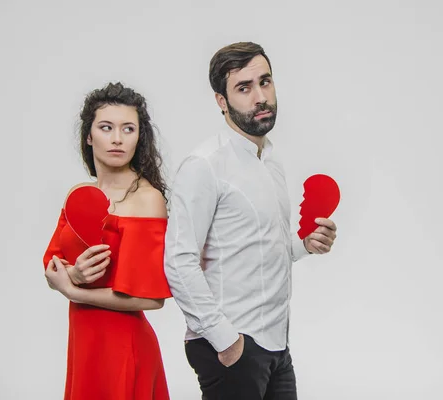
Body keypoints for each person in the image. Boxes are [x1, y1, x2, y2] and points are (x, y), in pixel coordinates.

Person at [164, 42, 338, 400]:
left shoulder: (270, 162)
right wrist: (226, 340)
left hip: (275, 344)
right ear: (221, 101)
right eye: (244, 88)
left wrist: (304, 245)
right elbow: (178, 262)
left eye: (265, 82)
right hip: (233, 347)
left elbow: (257, 246)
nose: (260, 96)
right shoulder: (204, 165)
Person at [43, 82, 172, 400]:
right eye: (106, 127)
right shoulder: (79, 196)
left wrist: (74, 291)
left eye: (128, 128)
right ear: (89, 136)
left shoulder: (148, 200)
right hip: (84, 346)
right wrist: (71, 275)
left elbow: (152, 299)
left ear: (139, 136)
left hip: (125, 348)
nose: (117, 138)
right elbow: (53, 265)